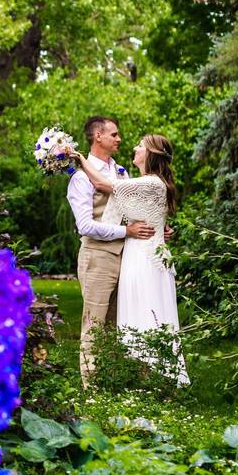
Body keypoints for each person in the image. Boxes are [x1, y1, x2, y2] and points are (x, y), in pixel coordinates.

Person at [71, 134, 190, 386]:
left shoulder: (150, 182)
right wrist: (162, 227)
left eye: (141, 146)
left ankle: (157, 379)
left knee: (148, 315)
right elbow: (135, 213)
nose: (133, 147)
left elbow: (105, 186)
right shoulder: (144, 182)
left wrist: (80, 158)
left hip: (145, 258)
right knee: (135, 317)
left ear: (152, 154)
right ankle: (137, 379)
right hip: (135, 253)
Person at [66, 116, 155, 388]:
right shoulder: (80, 178)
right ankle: (91, 388)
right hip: (98, 257)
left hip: (128, 258)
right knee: (94, 323)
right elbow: (86, 226)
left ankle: (114, 383)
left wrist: (155, 228)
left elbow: (130, 214)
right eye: (114, 135)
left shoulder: (121, 173)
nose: (119, 139)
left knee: (120, 323)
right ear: (97, 137)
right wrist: (126, 232)